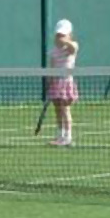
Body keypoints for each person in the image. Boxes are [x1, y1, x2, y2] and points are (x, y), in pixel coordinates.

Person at [47, 19, 79, 147]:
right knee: (57, 110)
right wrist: (50, 81)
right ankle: (60, 135)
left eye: (63, 35)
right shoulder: (53, 51)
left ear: (70, 35)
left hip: (66, 83)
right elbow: (52, 67)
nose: (60, 38)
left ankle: (68, 137)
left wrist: (64, 41)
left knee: (65, 109)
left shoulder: (72, 47)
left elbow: (73, 47)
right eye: (58, 35)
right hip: (56, 84)